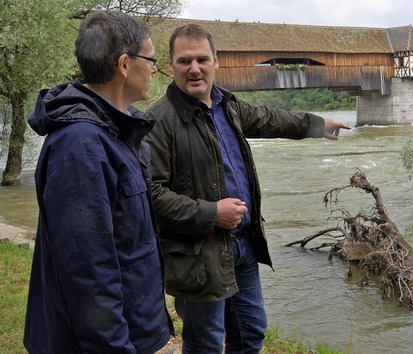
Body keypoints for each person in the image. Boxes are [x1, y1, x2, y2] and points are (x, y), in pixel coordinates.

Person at [144, 24, 351, 353]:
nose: (194, 69)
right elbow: (152, 197)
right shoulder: (158, 121)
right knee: (206, 343)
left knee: (250, 333)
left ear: (217, 61)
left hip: (243, 244)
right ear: (171, 66)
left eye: (201, 59)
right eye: (184, 61)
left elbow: (269, 119)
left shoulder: (228, 105)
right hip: (198, 255)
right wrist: (213, 213)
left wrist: (315, 124)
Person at [24, 10, 172, 353]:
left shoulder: (114, 133)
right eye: (150, 59)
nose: (153, 68)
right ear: (124, 65)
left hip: (130, 329)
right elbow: (89, 272)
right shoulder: (82, 148)